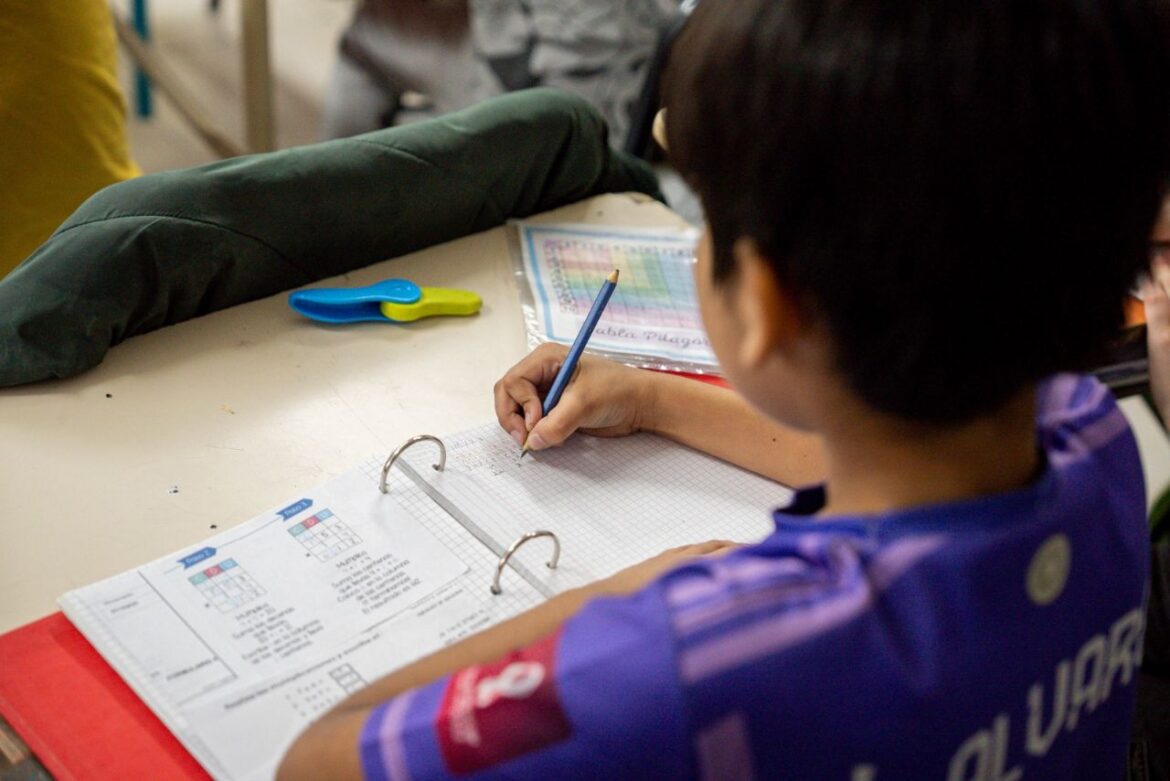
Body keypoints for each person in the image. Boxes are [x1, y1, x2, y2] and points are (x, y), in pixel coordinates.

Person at [277, 0, 1170, 778]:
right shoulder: (1094, 444)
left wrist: (625, 602)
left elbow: (318, 758)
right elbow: (911, 447)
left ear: (768, 302)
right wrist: (655, 397)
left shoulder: (695, 656)